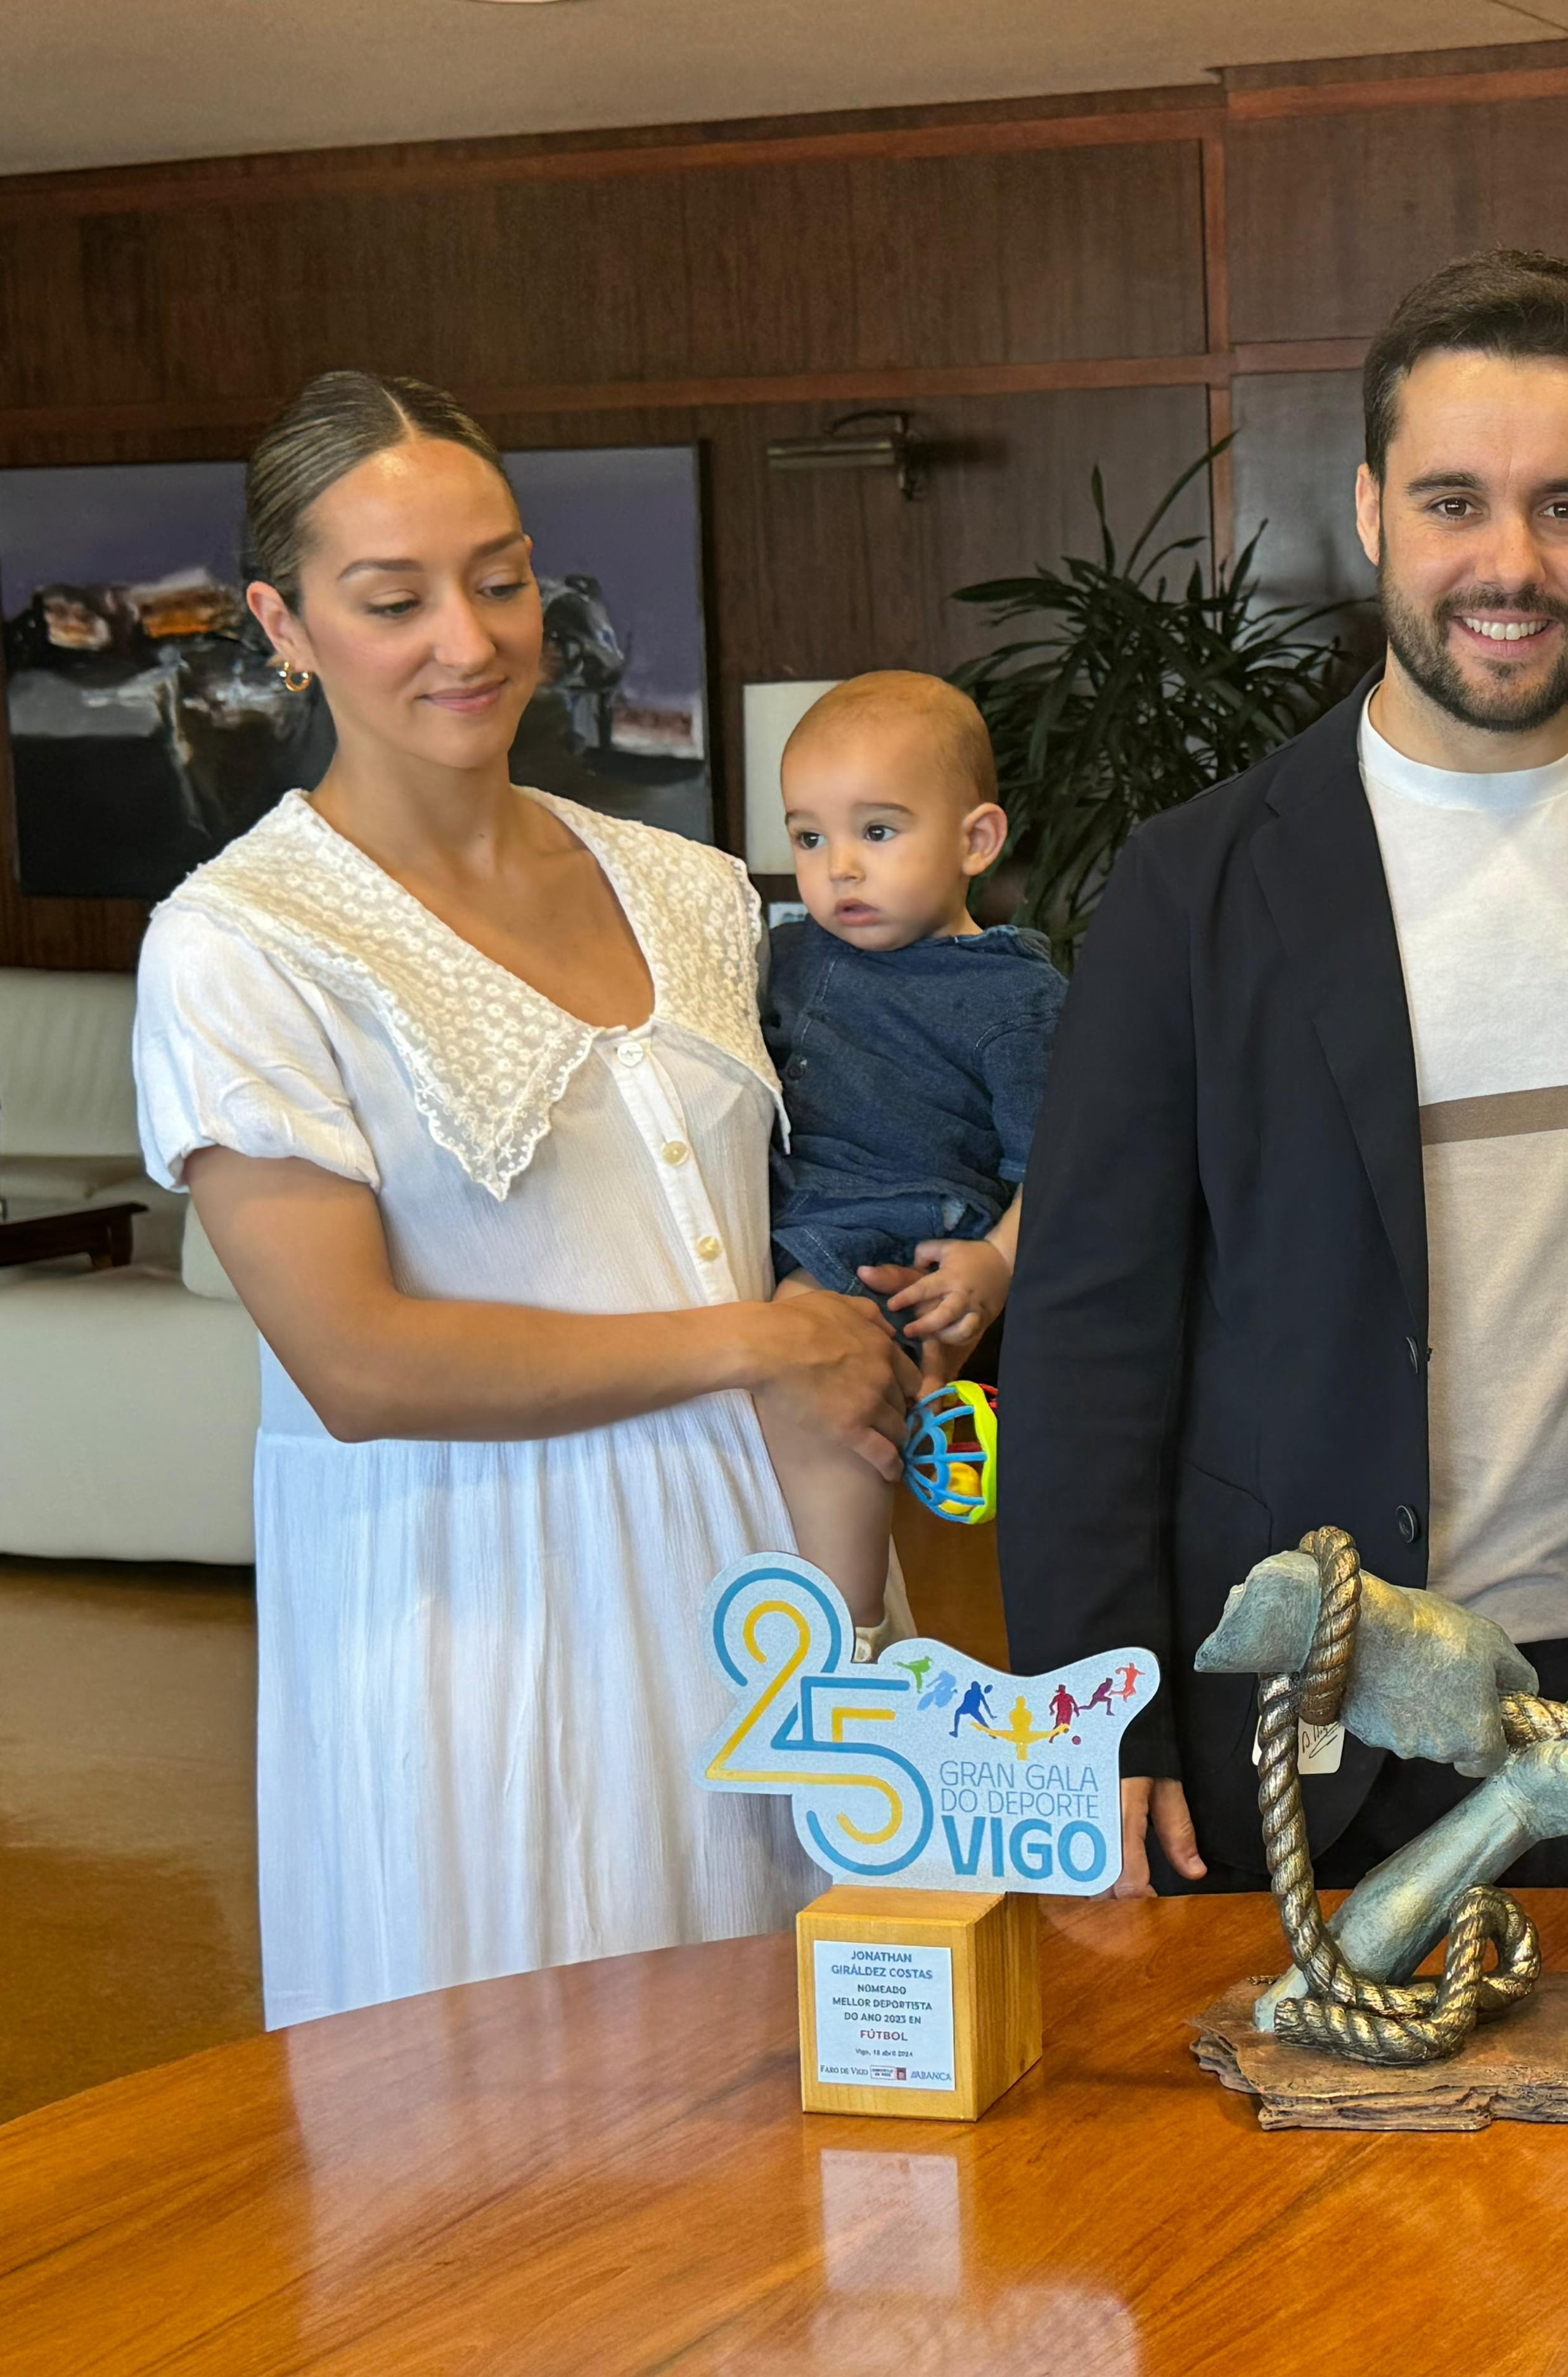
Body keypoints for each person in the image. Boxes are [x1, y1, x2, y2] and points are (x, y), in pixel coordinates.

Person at [998, 249, 1568, 1897]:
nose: (1509, 563)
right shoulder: (1196, 886)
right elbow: (1088, 1331)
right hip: (1299, 1741)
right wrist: (1092, 1717)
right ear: (1373, 509)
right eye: (1455, 501)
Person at [132, 371, 916, 2028]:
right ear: (284, 623)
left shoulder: (695, 887)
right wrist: (755, 1343)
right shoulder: (244, 939)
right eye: (392, 597)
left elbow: (788, 1216)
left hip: (773, 1584)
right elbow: (359, 1362)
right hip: (484, 1623)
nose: (467, 639)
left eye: (498, 577)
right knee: (526, 2164)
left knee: (825, 2127)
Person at [758, 669, 1062, 1636]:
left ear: (977, 839)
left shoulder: (1012, 997)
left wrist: (1000, 1261)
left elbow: (1066, 1160)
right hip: (780, 1209)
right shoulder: (795, 952)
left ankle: (849, 1633)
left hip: (893, 1236)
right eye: (811, 836)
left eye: (877, 832)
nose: (839, 866)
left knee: (810, 1380)